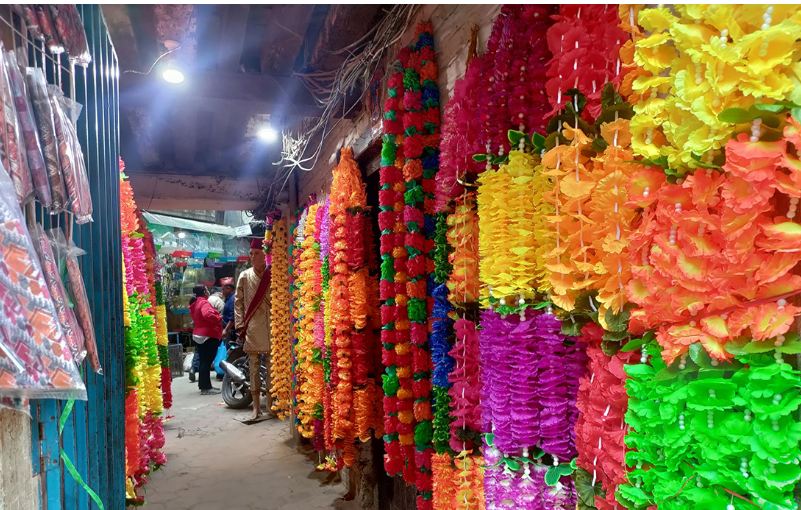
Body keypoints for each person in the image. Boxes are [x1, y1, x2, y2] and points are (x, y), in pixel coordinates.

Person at [234, 239, 272, 420]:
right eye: (251, 253)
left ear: (265, 255)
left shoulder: (273, 274)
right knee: (254, 367)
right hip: (253, 326)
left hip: (272, 325)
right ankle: (256, 406)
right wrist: (240, 324)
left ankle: (271, 403)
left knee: (273, 366)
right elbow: (238, 302)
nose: (253, 257)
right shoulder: (244, 275)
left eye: (257, 253)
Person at [189, 285, 223, 395]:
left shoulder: (195, 303)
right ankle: (206, 388)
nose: (208, 292)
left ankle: (204, 386)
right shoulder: (204, 303)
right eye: (207, 290)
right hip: (208, 335)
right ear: (204, 292)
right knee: (206, 362)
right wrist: (218, 318)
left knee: (204, 362)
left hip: (199, 334)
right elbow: (208, 315)